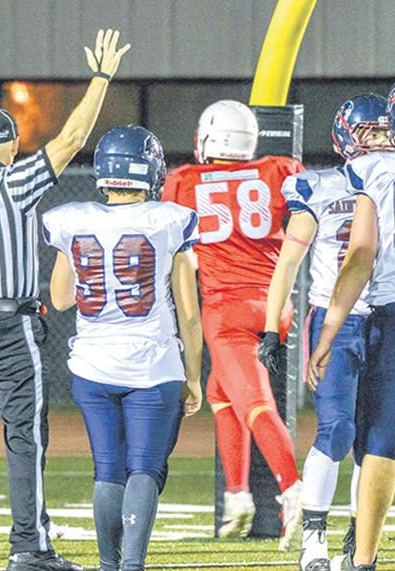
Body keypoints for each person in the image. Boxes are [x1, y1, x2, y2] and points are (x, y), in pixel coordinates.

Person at [0, 29, 131, 571]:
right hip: (10, 329)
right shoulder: (13, 183)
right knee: (26, 441)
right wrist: (102, 78)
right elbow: (74, 137)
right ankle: (29, 547)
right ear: (11, 147)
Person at [43, 125, 203, 571]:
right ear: (150, 170)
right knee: (144, 468)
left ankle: (109, 565)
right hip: (153, 363)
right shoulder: (171, 220)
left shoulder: (72, 219)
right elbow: (189, 314)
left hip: (92, 365)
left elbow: (60, 299)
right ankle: (131, 564)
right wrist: (194, 375)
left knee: (108, 468)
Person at [162, 99, 304, 549]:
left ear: (208, 138)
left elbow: (174, 248)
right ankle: (238, 495)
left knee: (255, 402)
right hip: (274, 305)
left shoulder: (183, 181)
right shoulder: (279, 169)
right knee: (224, 396)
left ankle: (294, 490)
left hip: (226, 309)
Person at [260, 94, 392, 571]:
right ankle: (313, 537)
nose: (379, 142)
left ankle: (358, 540)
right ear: (345, 139)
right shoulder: (315, 188)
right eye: (369, 134)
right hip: (337, 317)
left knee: (376, 442)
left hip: (383, 318)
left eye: (384, 132)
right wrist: (272, 328)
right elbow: (287, 264)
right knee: (337, 430)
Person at [308, 85, 395, 571]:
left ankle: (363, 560)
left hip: (387, 313)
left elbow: (360, 256)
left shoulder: (375, 171)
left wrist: (327, 331)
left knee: (383, 440)